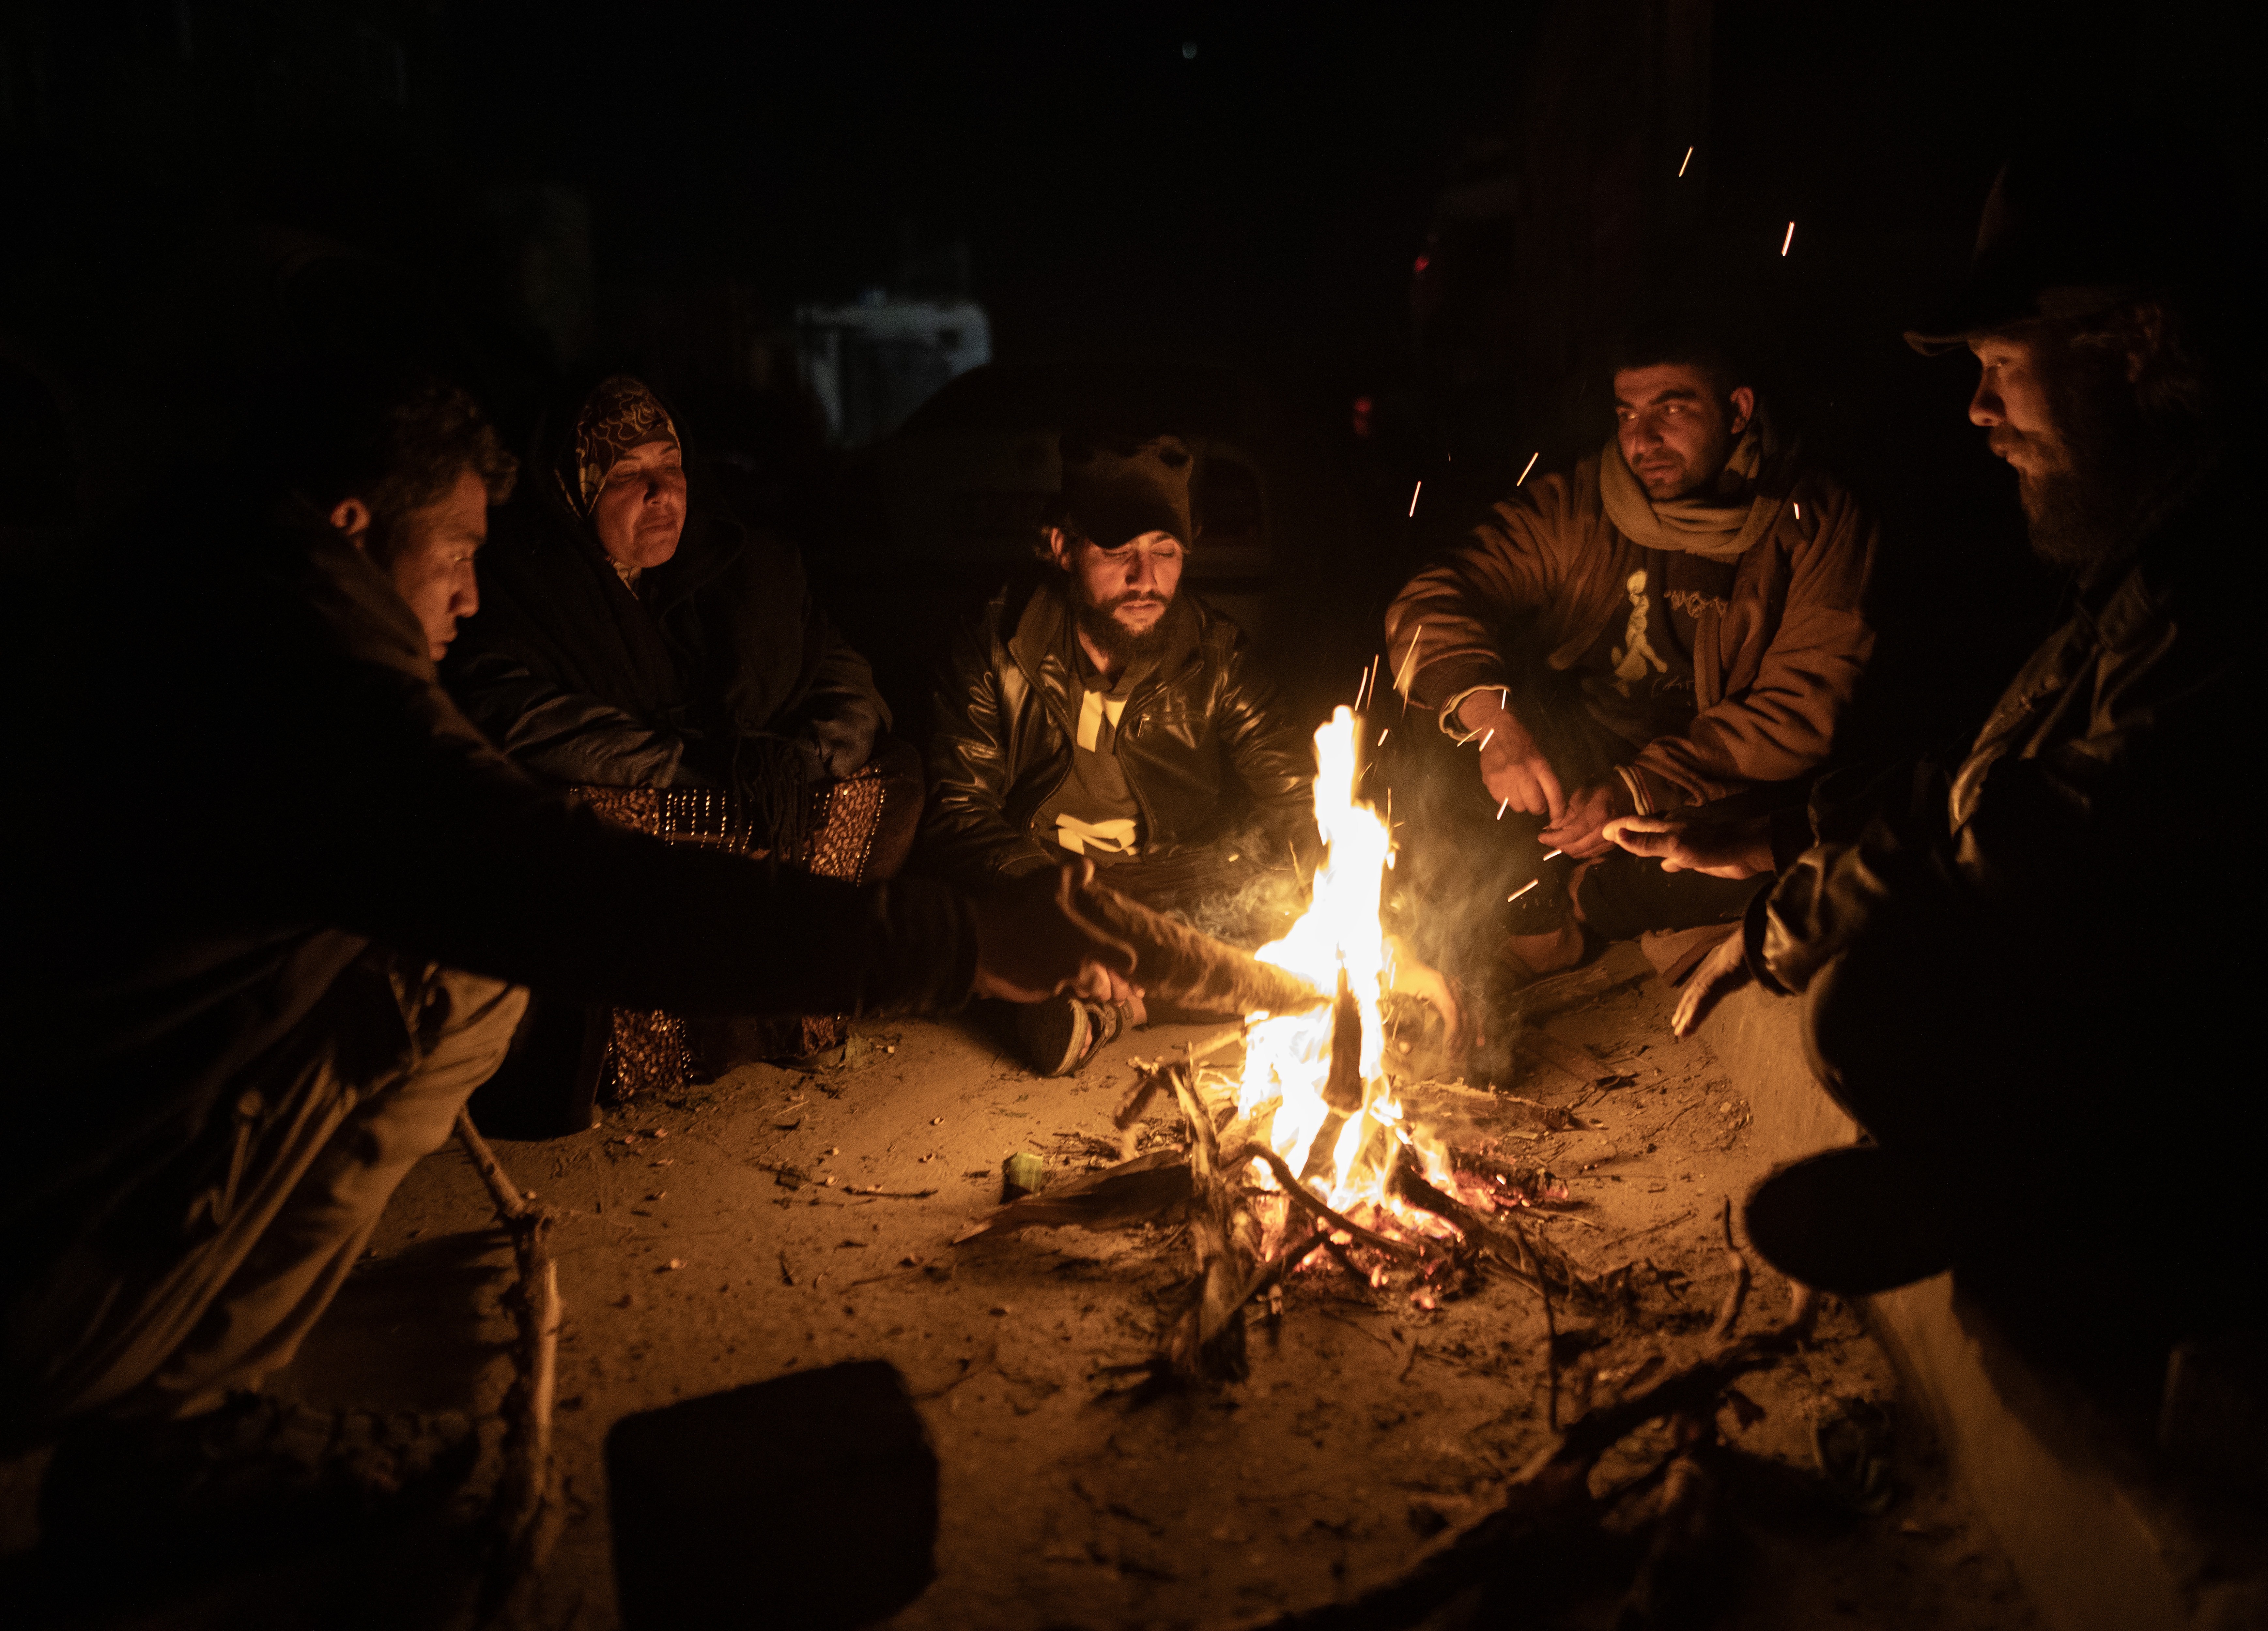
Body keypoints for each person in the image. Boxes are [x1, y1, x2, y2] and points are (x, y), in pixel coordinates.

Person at [2, 368, 1131, 1538]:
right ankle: (176, 1425)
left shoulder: (188, 599)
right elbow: (577, 891)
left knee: (443, 958)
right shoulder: (294, 682)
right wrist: (957, 941)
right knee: (453, 976)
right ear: (351, 526)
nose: (469, 592)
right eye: (454, 552)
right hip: (38, 1257)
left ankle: (162, 1409)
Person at [1608, 139, 2268, 1353]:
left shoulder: (2249, 582)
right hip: (2146, 993)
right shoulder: (2143, 558)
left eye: (2005, 368)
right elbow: (1982, 776)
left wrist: (1796, 915)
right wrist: (1782, 846)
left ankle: (2130, 1232)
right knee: (1867, 993)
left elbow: (2043, 839)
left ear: (2134, 351)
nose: (1978, 411)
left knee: (1881, 1007)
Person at [444, 374, 923, 1124]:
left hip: (762, 790)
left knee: (893, 774)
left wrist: (801, 759)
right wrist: (690, 768)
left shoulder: (745, 566)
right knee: (579, 814)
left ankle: (794, 1005)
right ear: (575, 491)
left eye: (671, 465)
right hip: (652, 799)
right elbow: (514, 714)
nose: (662, 492)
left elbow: (838, 669)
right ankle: (651, 1047)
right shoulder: (529, 591)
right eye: (627, 475)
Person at [1382, 321, 1876, 989]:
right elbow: (1432, 600)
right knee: (1442, 713)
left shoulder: (1814, 518)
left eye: (1672, 409)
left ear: (1738, 411)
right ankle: (1534, 914)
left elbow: (1802, 708)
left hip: (1718, 779)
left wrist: (1637, 787)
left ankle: (1587, 906)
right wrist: (1491, 720)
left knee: (1772, 846)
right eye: (1627, 414)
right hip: (1586, 752)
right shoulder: (1583, 505)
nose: (1642, 440)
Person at [923, 429, 1314, 1075]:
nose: (1146, 579)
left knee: (1276, 914)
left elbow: (1297, 796)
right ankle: (1091, 989)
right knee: (957, 917)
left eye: (1165, 552)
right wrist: (1054, 902)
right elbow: (959, 811)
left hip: (1166, 885)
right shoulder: (995, 643)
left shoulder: (1215, 654)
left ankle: (1109, 1009)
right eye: (1118, 552)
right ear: (1063, 548)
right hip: (1041, 873)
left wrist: (1351, 911)